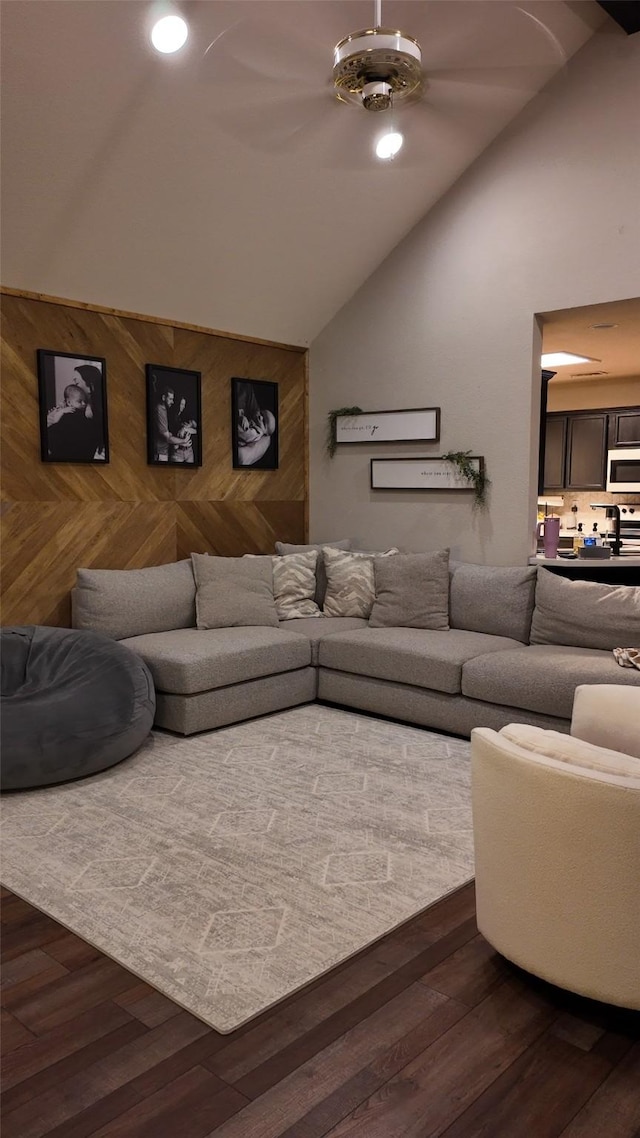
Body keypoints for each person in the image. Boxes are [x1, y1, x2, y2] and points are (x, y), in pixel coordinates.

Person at [46, 384, 100, 462]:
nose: (83, 404)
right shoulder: (62, 411)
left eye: (84, 401)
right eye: (79, 401)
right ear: (69, 402)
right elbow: (54, 420)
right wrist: (61, 411)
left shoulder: (81, 413)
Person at [235, 382, 276, 466]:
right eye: (261, 413)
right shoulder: (254, 418)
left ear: (265, 433)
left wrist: (242, 419)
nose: (260, 417)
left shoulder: (256, 433)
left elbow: (244, 433)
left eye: (264, 421)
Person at [153, 387, 184, 462]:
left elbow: (165, 433)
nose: (172, 402)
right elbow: (167, 437)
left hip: (163, 452)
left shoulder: (164, 409)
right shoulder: (160, 410)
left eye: (172, 399)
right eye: (170, 399)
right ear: (164, 397)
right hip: (160, 453)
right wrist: (184, 441)